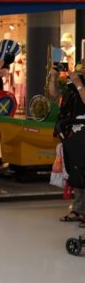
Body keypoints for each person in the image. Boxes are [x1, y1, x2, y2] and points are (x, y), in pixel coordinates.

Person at [57, 65, 85, 222]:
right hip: (75, 130)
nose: (83, 66)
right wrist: (53, 77)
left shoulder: (78, 83)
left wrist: (78, 83)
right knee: (76, 170)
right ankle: (78, 209)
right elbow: (54, 94)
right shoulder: (75, 83)